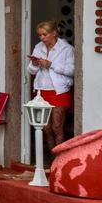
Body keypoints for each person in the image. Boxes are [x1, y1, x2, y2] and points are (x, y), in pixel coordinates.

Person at [27, 19, 75, 155]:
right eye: (40, 35)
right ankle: (51, 157)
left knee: (57, 126)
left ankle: (60, 159)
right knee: (46, 128)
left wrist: (51, 65)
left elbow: (72, 71)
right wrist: (35, 64)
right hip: (42, 91)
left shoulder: (67, 49)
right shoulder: (38, 47)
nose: (42, 38)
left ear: (54, 33)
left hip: (59, 91)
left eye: (45, 34)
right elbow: (30, 70)